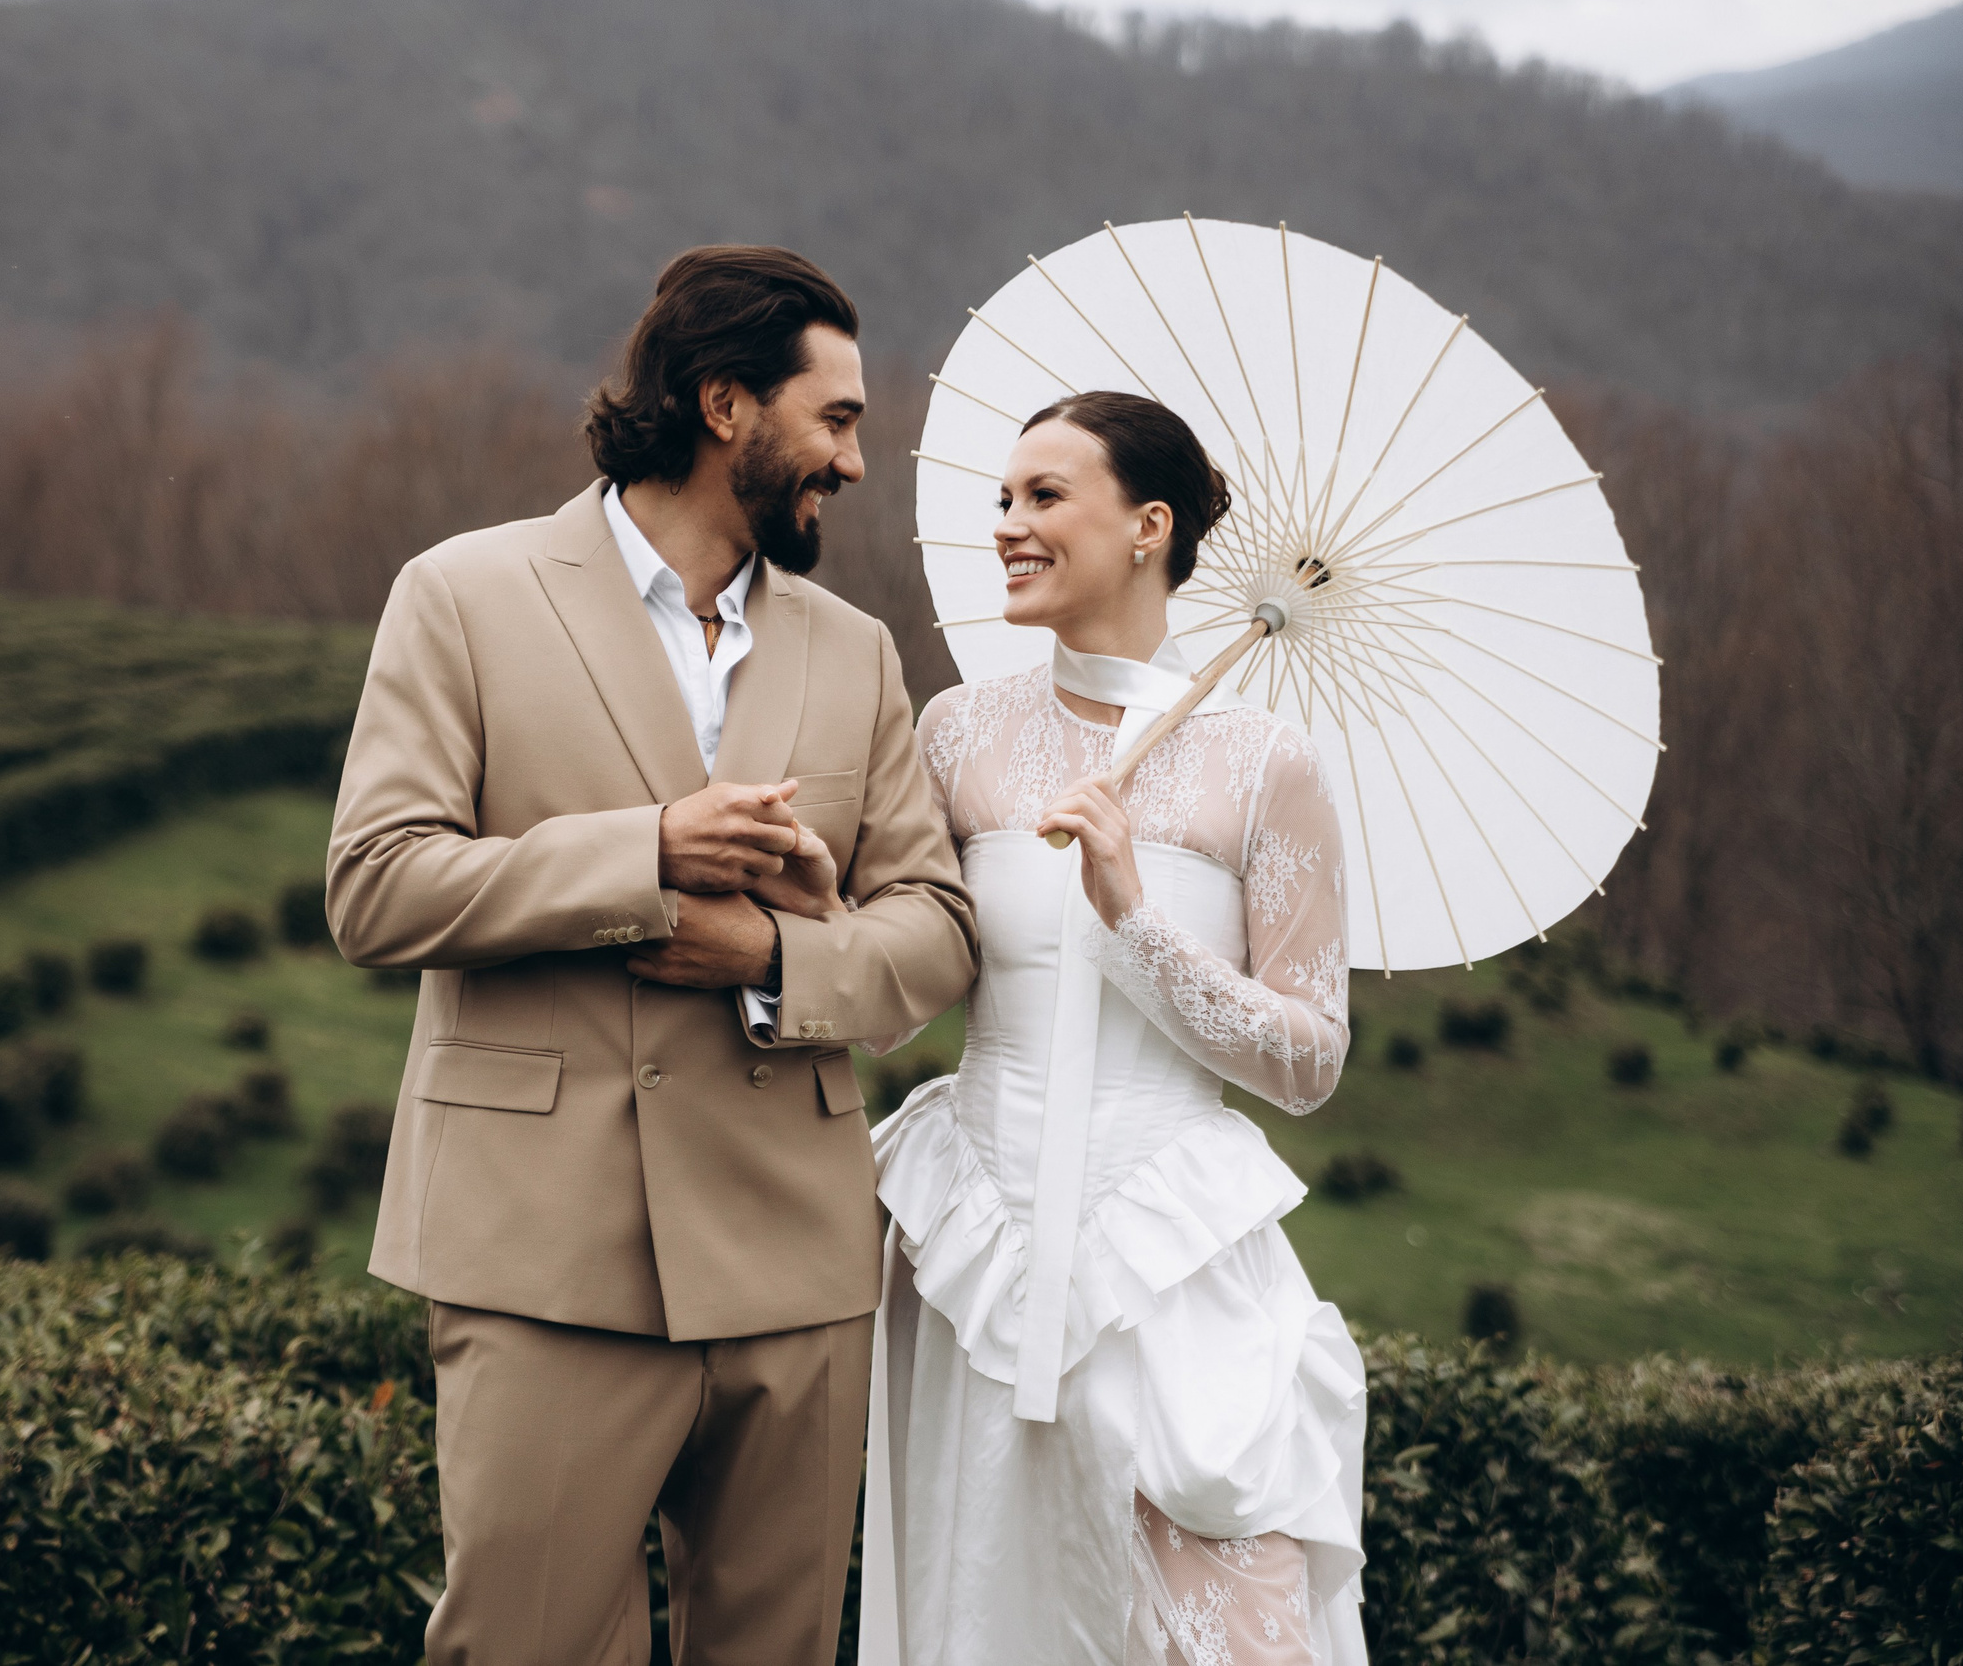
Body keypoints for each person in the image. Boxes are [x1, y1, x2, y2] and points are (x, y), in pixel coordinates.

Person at [325, 244, 978, 1666]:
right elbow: (375, 886)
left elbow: (935, 927)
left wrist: (771, 957)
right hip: (544, 1247)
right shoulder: (464, 594)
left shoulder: (858, 652)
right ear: (725, 403)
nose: (858, 463)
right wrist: (645, 855)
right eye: (841, 417)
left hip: (798, 1264)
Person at [857, 392, 1367, 1665]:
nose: (1009, 526)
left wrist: (1135, 915)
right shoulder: (958, 732)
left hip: (1169, 1259)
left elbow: (1309, 1060)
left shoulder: (1267, 765)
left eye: (1044, 497)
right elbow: (899, 975)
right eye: (1003, 499)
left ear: (1148, 526)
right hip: (974, 1244)